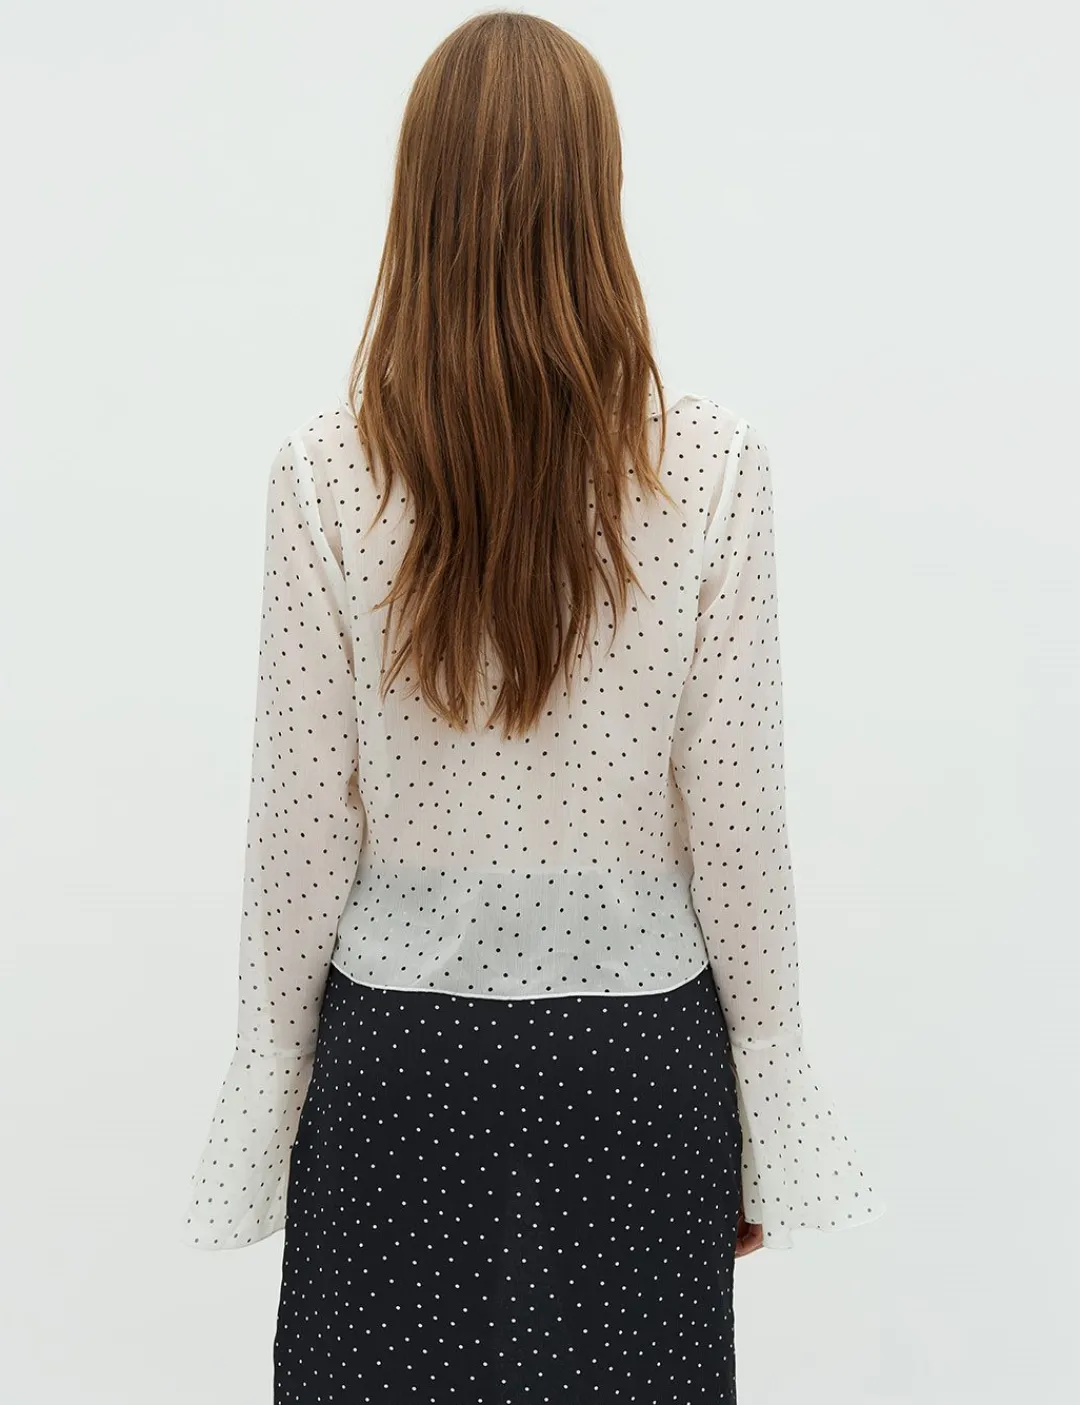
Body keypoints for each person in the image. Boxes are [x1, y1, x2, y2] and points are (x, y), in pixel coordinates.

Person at [182, 10, 885, 1400]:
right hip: (637, 1065)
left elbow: (299, 831)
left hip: (400, 1069)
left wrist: (272, 1094)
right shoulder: (713, 467)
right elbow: (737, 828)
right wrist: (763, 1109)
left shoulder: (325, 471)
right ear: (597, 197)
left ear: (420, 202)